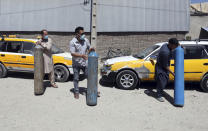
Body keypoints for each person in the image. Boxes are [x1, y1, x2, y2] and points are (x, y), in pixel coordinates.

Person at [69, 26, 95, 99]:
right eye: (82, 33)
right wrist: (82, 55)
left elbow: (89, 49)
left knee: (89, 76)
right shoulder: (72, 42)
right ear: (77, 34)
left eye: (84, 33)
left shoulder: (86, 40)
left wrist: (91, 50)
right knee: (76, 78)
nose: (84, 35)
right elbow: (72, 53)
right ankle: (76, 92)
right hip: (76, 64)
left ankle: (92, 90)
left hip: (85, 63)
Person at [155, 38, 179, 102]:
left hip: (163, 65)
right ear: (171, 44)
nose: (176, 47)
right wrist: (173, 73)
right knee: (162, 82)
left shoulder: (165, 44)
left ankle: (160, 91)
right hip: (161, 68)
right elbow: (165, 66)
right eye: (175, 46)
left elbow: (176, 45)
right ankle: (158, 95)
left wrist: (179, 46)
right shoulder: (165, 52)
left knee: (165, 80)